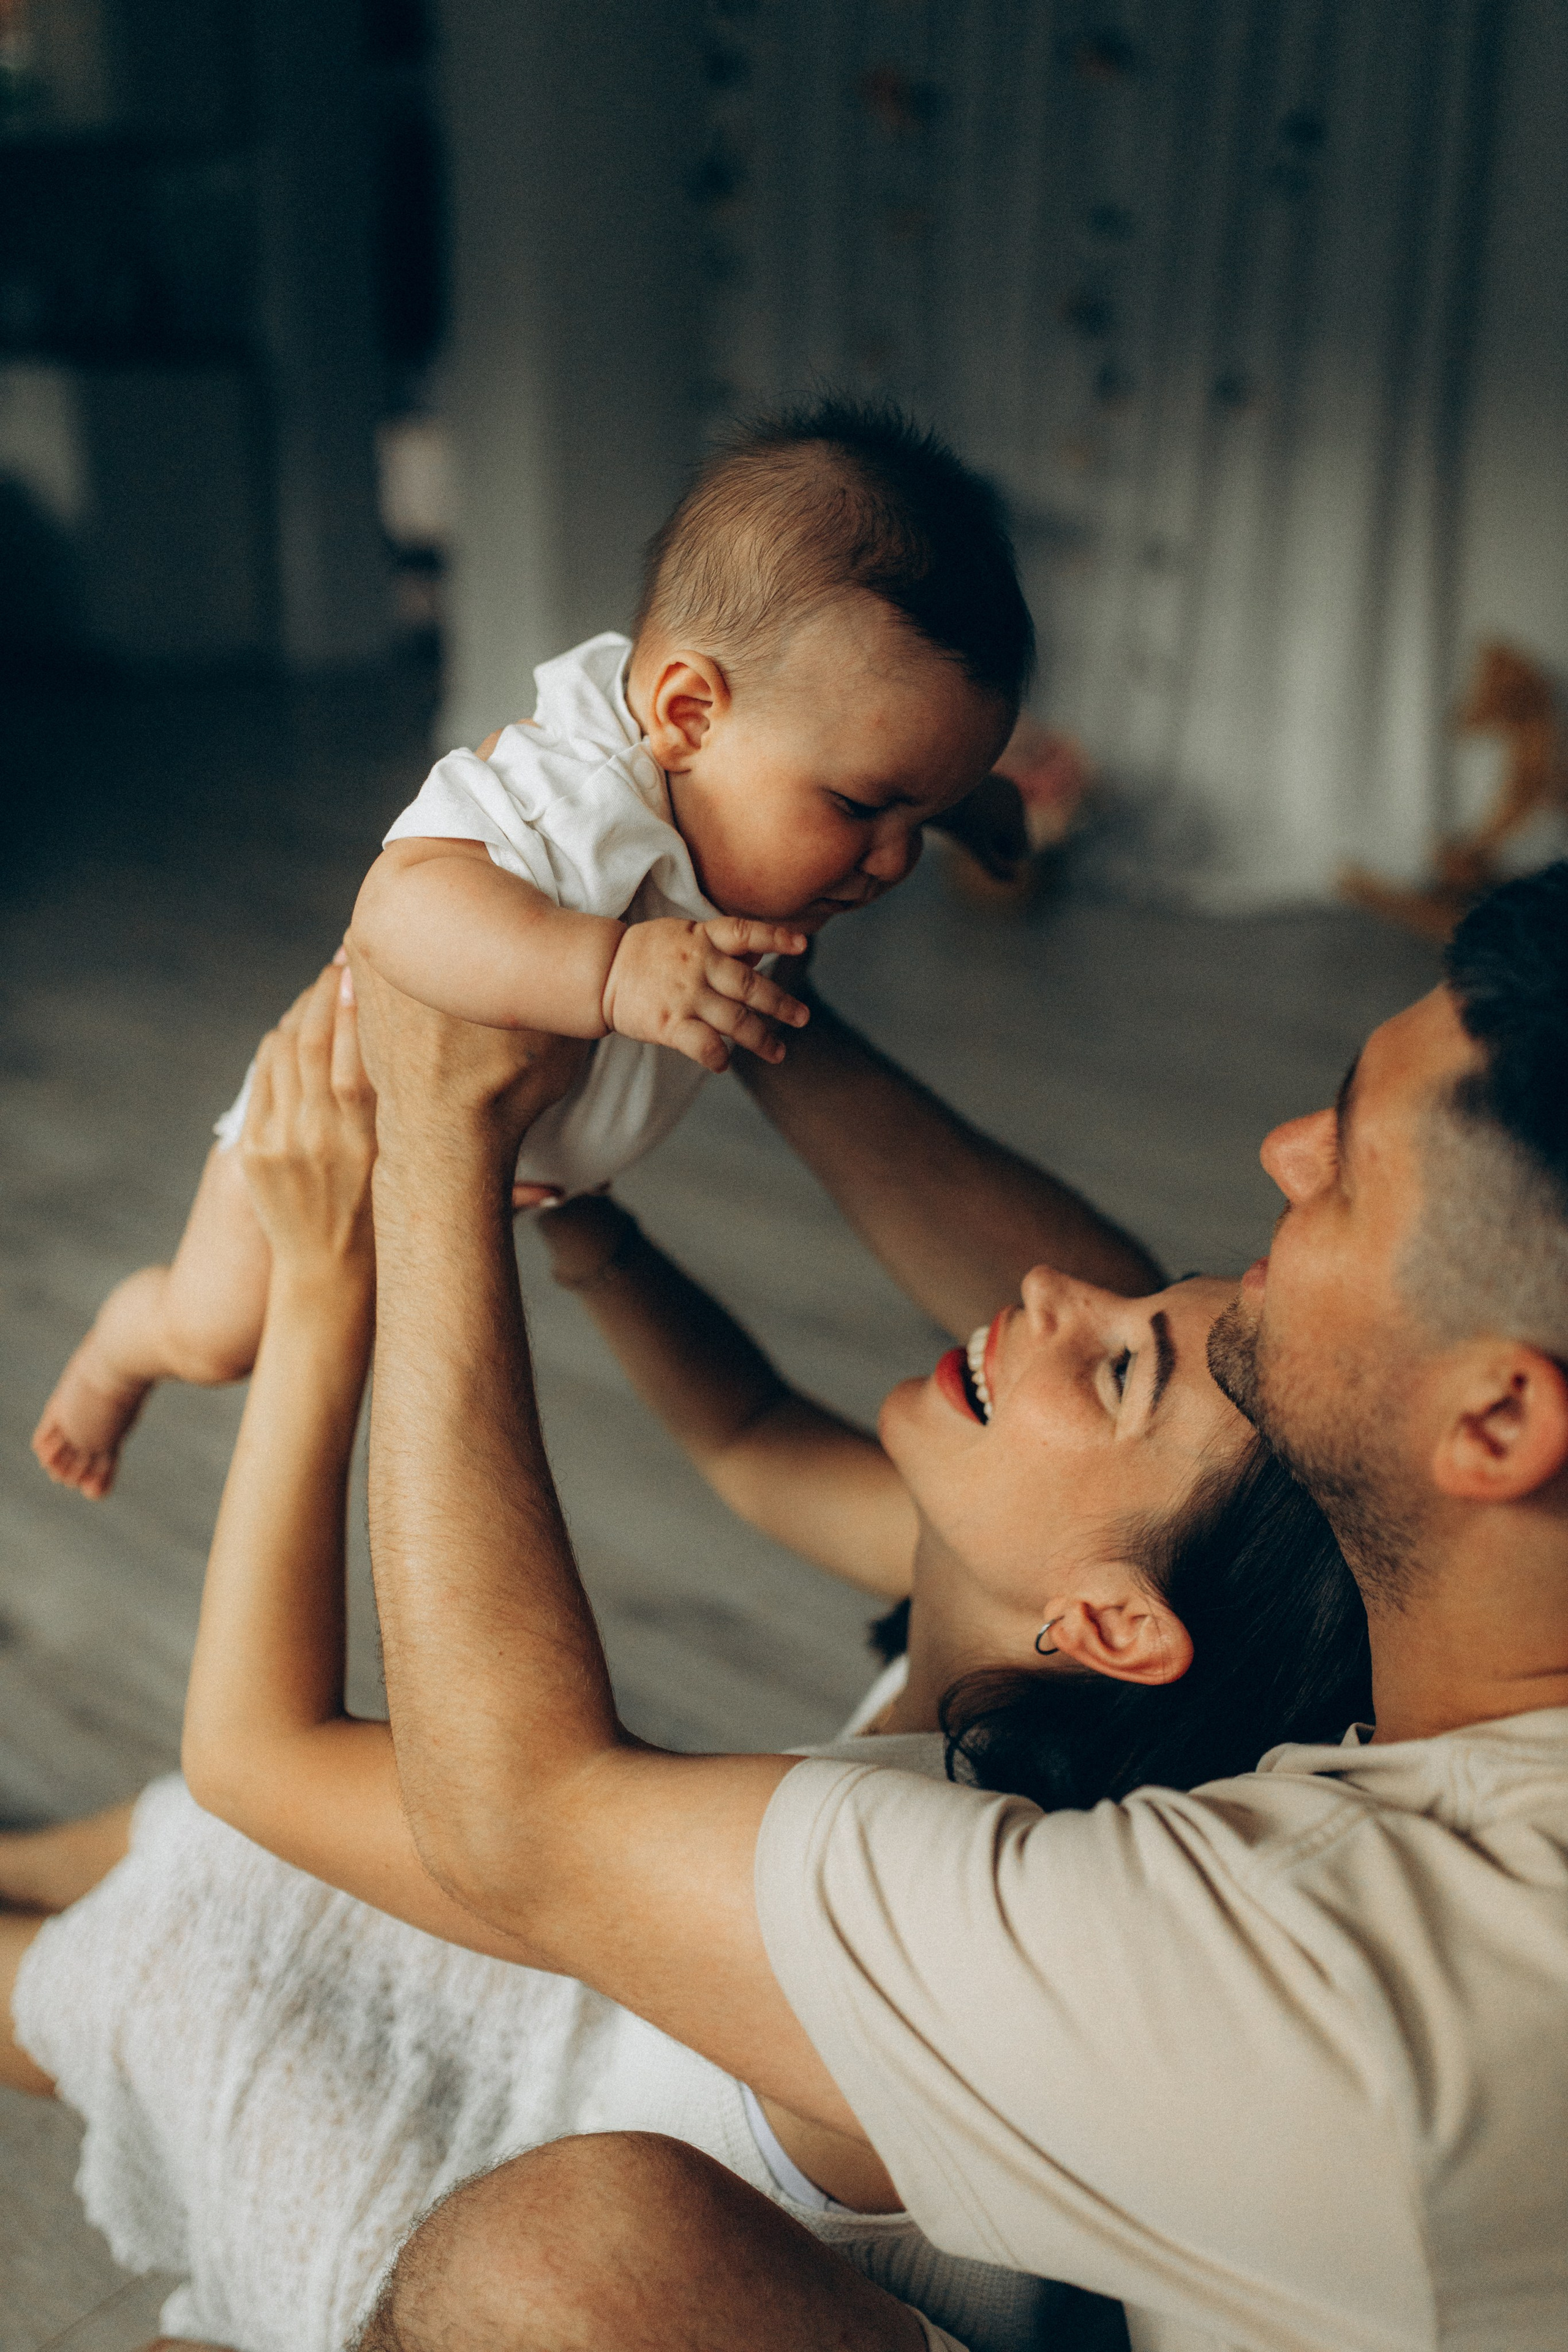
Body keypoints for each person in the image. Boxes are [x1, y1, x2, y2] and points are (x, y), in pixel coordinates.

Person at [1, 964, 1367, 2352]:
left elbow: (256, 1754)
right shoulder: (1042, 1631)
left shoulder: (940, 1878)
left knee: (176, 1949)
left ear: (1113, 1625)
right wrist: (598, 1232)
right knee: (242, 1856)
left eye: (1121, 1366)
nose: (1053, 1290)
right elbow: (746, 1433)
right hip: (602, 2080)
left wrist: (335, 1272)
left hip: (538, 2235)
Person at [323, 861, 1567, 2351]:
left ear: (1495, 1429)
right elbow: (1139, 1377)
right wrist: (740, 989)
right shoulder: (1353, 1611)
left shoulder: (1318, 1983)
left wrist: (433, 1137)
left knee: (553, 2269)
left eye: (1349, 1169)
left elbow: (514, 1820)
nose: (1282, 1151)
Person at [32, 398, 1033, 1501]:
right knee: (221, 1337)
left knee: (379, 1342)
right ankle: (121, 1344)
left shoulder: (772, 750)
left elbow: (874, 749)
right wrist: (604, 970)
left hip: (493, 1171)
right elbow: (397, 907)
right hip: (337, 1130)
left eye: (917, 812)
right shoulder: (573, 794)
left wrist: (958, 802)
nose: (891, 862)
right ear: (688, 715)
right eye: (861, 806)